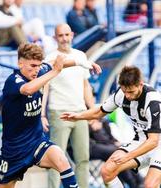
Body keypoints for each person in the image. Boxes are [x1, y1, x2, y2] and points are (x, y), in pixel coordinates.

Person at [0, 43, 101, 188]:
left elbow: (54, 64)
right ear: (20, 63)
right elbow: (28, 89)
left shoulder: (40, 71)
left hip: (36, 141)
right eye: (32, 65)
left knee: (60, 158)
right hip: (14, 150)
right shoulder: (13, 81)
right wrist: (55, 72)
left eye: (38, 66)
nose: (36, 70)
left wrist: (81, 62)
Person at [61, 65, 161, 188]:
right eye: (125, 91)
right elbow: (99, 112)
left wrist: (128, 156)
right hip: (140, 141)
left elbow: (153, 141)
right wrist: (78, 116)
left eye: (131, 92)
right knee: (107, 171)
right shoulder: (121, 94)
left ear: (140, 85)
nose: (127, 96)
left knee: (149, 185)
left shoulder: (153, 101)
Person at [41, 23, 98, 188]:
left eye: (67, 35)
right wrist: (42, 115)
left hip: (80, 113)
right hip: (58, 113)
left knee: (83, 158)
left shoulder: (81, 56)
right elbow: (45, 87)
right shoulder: (50, 58)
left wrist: (93, 111)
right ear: (55, 38)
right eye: (60, 35)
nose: (64, 39)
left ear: (72, 35)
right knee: (55, 160)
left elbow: (86, 86)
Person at [89, 119, 143, 188]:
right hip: (93, 149)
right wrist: (96, 130)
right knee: (116, 155)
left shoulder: (103, 121)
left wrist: (117, 143)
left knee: (123, 151)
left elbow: (110, 138)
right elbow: (98, 141)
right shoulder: (87, 125)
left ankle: (138, 180)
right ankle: (133, 183)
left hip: (108, 146)